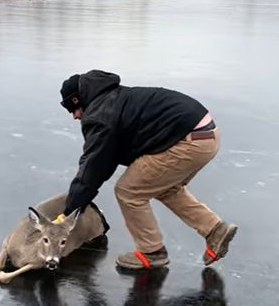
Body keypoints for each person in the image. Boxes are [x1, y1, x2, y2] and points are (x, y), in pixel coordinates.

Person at [54, 69, 238, 269]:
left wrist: (69, 212)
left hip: (187, 141)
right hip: (206, 136)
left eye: (72, 110)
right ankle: (215, 230)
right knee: (164, 187)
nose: (74, 117)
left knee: (128, 191)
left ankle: (152, 252)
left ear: (78, 100)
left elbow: (93, 167)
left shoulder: (100, 115)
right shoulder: (112, 97)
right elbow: (107, 157)